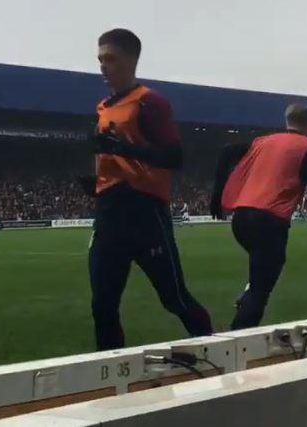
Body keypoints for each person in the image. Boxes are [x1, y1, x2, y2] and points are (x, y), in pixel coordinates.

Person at [80, 28, 213, 350]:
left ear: (131, 59)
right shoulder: (102, 107)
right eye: (100, 60)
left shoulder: (149, 102)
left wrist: (125, 150)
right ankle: (112, 375)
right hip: (109, 213)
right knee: (103, 304)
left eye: (110, 59)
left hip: (144, 213)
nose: (103, 67)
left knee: (175, 298)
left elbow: (174, 157)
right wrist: (96, 184)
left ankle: (216, 354)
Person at [210, 104, 307, 330]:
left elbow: (227, 151)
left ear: (287, 120)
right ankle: (238, 337)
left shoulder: (262, 141)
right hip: (269, 221)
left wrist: (216, 197)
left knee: (263, 269)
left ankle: (247, 297)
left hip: (241, 218)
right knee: (261, 288)